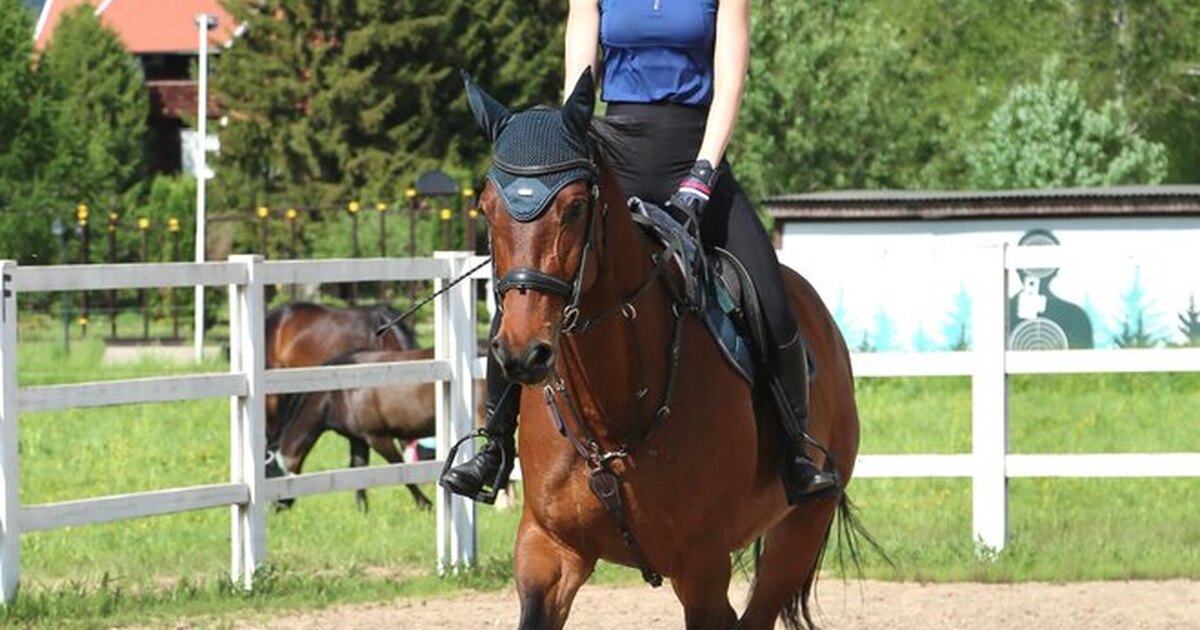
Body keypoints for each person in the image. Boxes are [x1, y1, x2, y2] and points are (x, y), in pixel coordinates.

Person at [440, 0, 837, 506]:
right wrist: (570, 154)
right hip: (612, 157)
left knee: (771, 299)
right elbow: (579, 86)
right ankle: (494, 447)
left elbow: (729, 84)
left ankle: (796, 452)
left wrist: (703, 173)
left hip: (695, 154)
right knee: (530, 286)